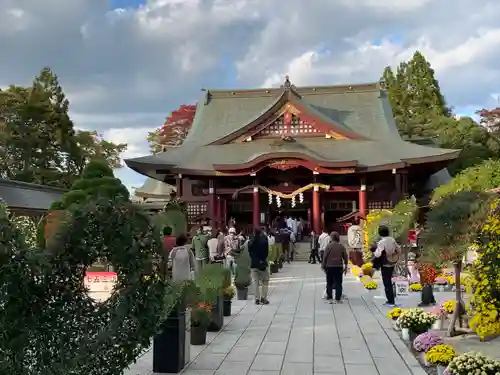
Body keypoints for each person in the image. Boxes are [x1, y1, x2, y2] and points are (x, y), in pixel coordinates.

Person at [373, 225, 401, 307]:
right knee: (389, 280)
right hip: (392, 262)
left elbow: (378, 254)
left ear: (380, 233)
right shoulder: (392, 239)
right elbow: (399, 249)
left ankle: (390, 300)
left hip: (385, 263)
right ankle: (391, 299)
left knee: (386, 282)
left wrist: (375, 251)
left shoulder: (382, 242)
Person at [322, 232, 348, 303]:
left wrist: (323, 266)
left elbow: (325, 257)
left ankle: (329, 297)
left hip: (329, 266)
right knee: (338, 282)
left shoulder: (328, 246)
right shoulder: (341, 246)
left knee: (329, 282)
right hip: (338, 266)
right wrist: (346, 265)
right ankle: (337, 298)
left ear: (331, 238)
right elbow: (345, 257)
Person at [248, 228, 270, 305]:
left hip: (253, 264)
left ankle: (256, 298)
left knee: (255, 281)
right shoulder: (264, 241)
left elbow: (250, 253)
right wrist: (262, 260)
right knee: (265, 281)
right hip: (262, 263)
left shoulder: (251, 241)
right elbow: (266, 253)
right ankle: (263, 298)